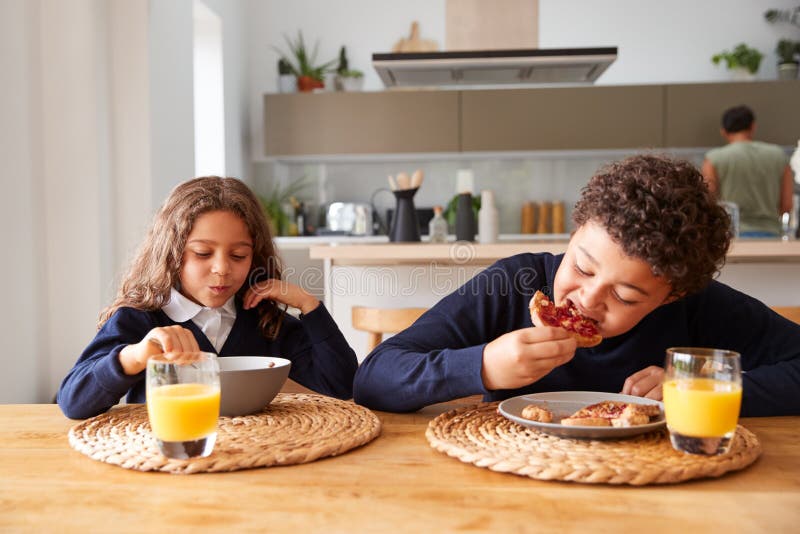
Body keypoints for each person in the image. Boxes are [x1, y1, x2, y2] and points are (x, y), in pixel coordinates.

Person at [353, 154, 800, 416]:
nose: (586, 299)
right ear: (573, 234)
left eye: (625, 296)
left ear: (673, 294)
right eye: (583, 268)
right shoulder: (514, 282)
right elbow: (375, 377)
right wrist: (483, 365)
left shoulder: (697, 305)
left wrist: (694, 389)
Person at [58, 177, 358, 419]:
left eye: (238, 255)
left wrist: (310, 306)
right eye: (203, 253)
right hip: (167, 461)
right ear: (173, 253)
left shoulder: (264, 319)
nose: (222, 269)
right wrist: (135, 356)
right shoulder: (141, 319)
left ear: (254, 257)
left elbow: (341, 384)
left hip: (258, 460)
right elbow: (73, 401)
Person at [701, 105, 794, 238]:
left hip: (732, 235)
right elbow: (787, 205)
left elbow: (709, 202)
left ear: (723, 131)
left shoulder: (713, 159)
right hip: (771, 235)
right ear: (752, 126)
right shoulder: (779, 156)